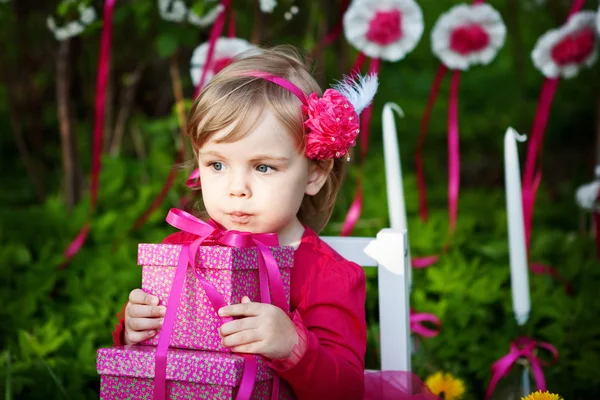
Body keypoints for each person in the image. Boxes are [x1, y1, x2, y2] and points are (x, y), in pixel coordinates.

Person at [111, 46, 436, 400]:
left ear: (314, 174)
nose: (237, 189)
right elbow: (158, 362)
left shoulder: (327, 276)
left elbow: (345, 390)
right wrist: (133, 330)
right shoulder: (184, 252)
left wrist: (294, 347)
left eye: (263, 167)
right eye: (217, 165)